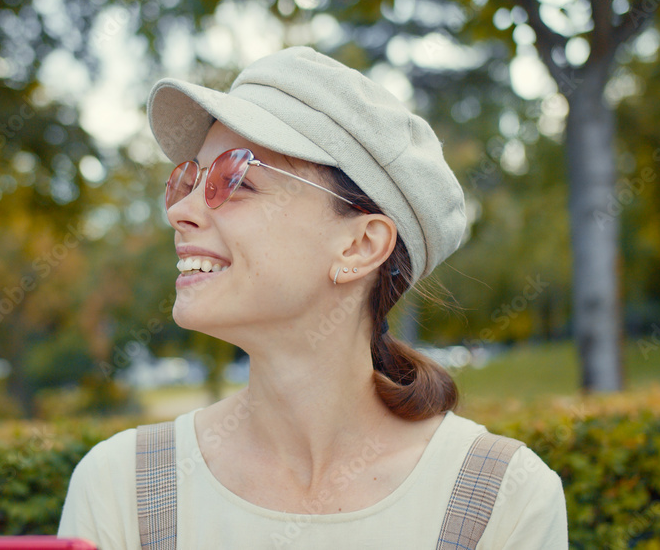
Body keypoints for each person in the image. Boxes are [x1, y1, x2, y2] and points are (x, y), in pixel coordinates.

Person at [58, 46, 567, 549]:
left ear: (360, 245)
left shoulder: (502, 498)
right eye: (188, 181)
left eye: (235, 179)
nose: (180, 212)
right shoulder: (120, 488)